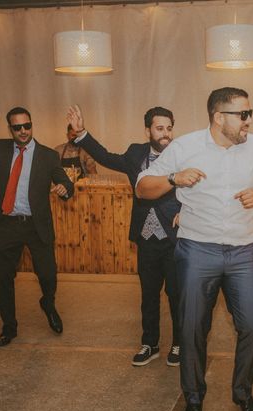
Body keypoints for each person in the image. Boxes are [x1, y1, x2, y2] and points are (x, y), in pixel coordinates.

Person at [137, 87, 253, 411]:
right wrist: (172, 178)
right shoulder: (185, 147)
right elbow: (143, 186)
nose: (249, 121)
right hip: (196, 251)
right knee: (193, 327)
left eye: (249, 114)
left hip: (244, 251)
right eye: (243, 115)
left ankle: (242, 392)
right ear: (219, 117)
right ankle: (193, 398)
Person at [66, 105, 181, 367]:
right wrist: (82, 132)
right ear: (148, 130)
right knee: (148, 294)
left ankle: (179, 343)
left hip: (175, 237)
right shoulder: (135, 153)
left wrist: (189, 210)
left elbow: (199, 186)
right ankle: (149, 344)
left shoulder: (182, 153)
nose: (165, 134)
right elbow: (106, 157)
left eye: (169, 128)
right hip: (146, 238)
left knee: (177, 294)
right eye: (160, 128)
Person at [0, 108, 73, 347]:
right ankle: (9, 326)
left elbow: (64, 181)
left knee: (48, 275)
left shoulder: (48, 155)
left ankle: (48, 304)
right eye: (17, 127)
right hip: (8, 224)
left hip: (36, 225)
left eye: (27, 126)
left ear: (32, 125)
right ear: (10, 129)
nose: (23, 131)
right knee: (2, 277)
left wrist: (64, 189)